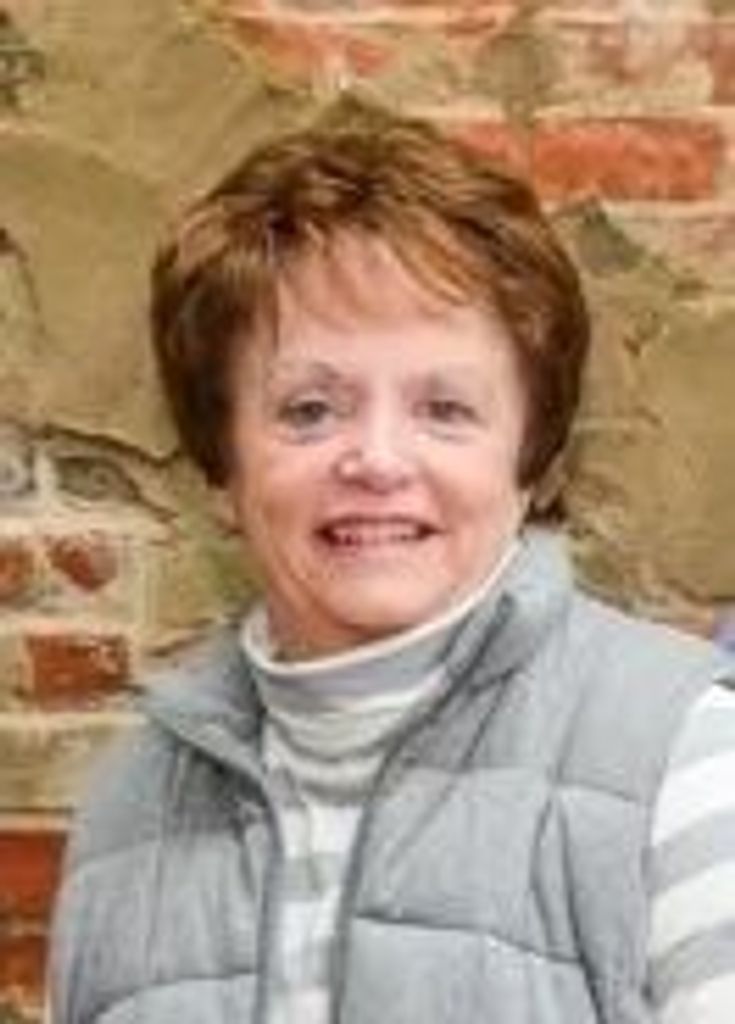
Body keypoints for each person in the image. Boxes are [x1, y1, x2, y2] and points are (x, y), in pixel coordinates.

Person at [49, 96, 735, 1024]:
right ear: (222, 467)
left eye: (444, 409)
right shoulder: (128, 811)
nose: (375, 460)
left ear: (529, 460)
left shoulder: (687, 755)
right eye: (309, 410)